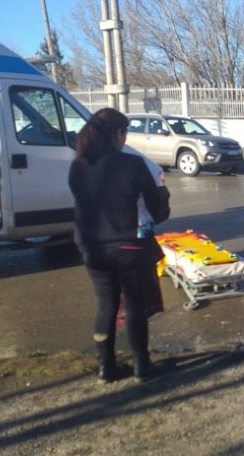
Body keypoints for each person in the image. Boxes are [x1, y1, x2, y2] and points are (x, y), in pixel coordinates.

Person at [68, 108, 171, 383]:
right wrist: (163, 195)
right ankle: (141, 367)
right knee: (135, 306)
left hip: (92, 247)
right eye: (125, 132)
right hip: (130, 247)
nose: (126, 139)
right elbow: (157, 210)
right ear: (117, 133)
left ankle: (106, 368)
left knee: (105, 306)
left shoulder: (78, 164)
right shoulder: (132, 164)